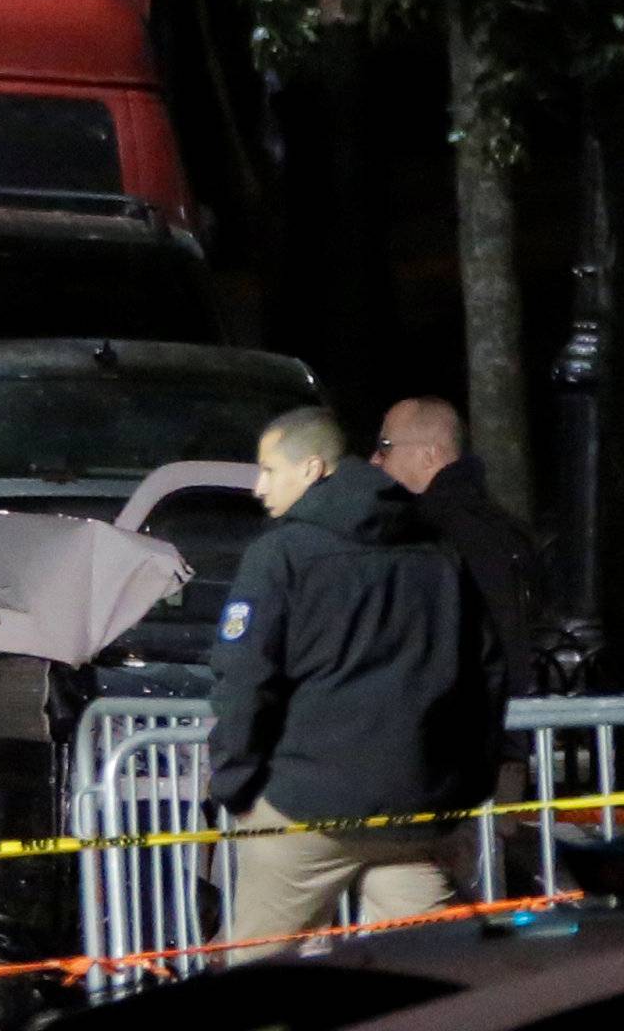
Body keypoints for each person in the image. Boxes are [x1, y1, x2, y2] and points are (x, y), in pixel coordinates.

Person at [210, 405, 506, 952]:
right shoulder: (437, 554)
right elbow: (485, 672)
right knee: (439, 968)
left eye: (269, 470)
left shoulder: (281, 555)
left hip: (306, 805)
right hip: (411, 806)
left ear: (312, 469)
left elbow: (244, 678)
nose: (257, 486)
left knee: (253, 976)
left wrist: (236, 782)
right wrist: (465, 784)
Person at [370, 395, 545, 719]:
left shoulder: (432, 533)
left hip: (463, 728)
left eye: (385, 445)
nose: (375, 460)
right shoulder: (503, 527)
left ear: (429, 455)